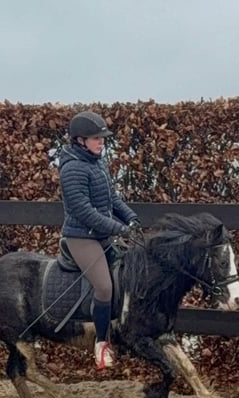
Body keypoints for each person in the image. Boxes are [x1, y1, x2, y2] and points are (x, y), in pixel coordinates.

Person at [58, 110, 141, 370]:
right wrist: (117, 228)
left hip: (103, 233)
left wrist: (130, 218)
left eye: (103, 138)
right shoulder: (72, 169)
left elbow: (112, 199)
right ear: (80, 140)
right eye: (96, 138)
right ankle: (101, 344)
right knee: (104, 287)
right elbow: (84, 211)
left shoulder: (97, 164)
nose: (101, 142)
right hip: (81, 237)